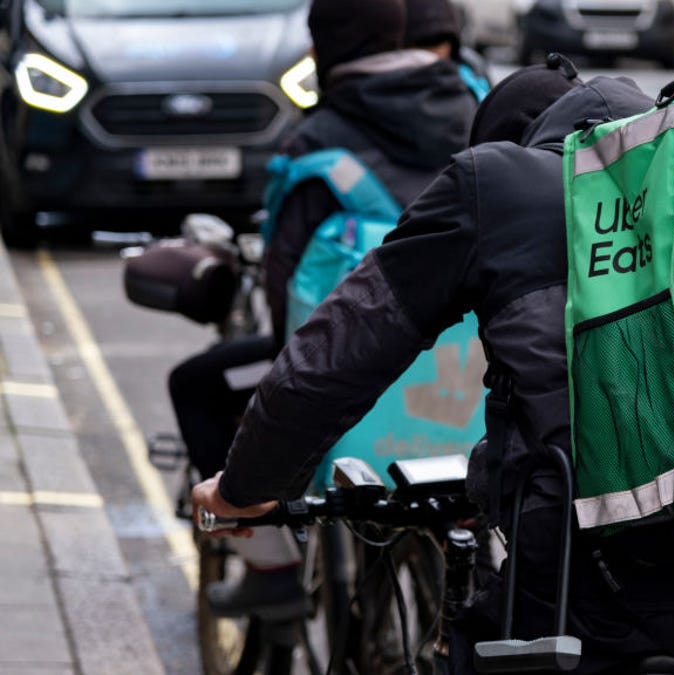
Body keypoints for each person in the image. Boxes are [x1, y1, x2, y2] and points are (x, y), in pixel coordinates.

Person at [194, 60, 674, 673]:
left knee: (484, 644)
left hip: (584, 586)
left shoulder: (496, 184)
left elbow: (331, 359)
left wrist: (244, 489)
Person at [170, 0, 479, 619]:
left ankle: (270, 566)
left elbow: (287, 299)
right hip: (476, 361)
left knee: (196, 384)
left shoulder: (315, 142)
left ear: (321, 52)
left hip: (354, 356)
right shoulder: (475, 104)